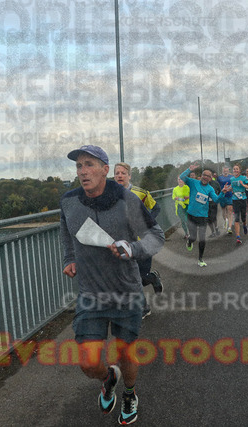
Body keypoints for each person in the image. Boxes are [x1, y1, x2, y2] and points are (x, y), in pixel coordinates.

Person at [60, 145, 165, 424]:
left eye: (89, 165)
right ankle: (108, 377)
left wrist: (133, 248)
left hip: (125, 292)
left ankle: (129, 393)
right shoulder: (69, 201)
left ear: (105, 170)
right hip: (91, 294)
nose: (83, 171)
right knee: (88, 362)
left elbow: (156, 236)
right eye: (79, 166)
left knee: (125, 353)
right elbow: (66, 228)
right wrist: (70, 257)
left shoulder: (126, 199)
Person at [114, 162, 164, 319]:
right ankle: (143, 308)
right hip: (124, 242)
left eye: (123, 173)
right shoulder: (111, 195)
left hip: (143, 242)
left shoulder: (140, 193)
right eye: (117, 173)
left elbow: (156, 208)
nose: (120, 176)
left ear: (129, 176)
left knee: (140, 277)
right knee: (128, 276)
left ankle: (152, 277)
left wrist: (145, 223)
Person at [179, 163, 231, 266]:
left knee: (202, 239)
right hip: (191, 215)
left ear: (210, 178)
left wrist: (222, 192)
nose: (205, 177)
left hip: (203, 217)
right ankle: (190, 241)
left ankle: (200, 259)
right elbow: (182, 177)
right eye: (204, 175)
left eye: (208, 176)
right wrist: (189, 169)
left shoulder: (210, 189)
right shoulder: (193, 182)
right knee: (193, 237)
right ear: (201, 176)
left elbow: (216, 200)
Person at [230, 164, 248, 244]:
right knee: (236, 218)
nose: (235, 170)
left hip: (243, 199)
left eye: (237, 169)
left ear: (239, 170)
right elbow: (232, 188)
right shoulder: (231, 179)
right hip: (235, 200)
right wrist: (227, 189)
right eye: (234, 169)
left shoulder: (243, 178)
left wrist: (243, 185)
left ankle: (244, 225)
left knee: (243, 217)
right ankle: (238, 237)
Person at [217, 166, 234, 234]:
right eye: (224, 170)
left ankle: (229, 228)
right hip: (222, 196)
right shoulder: (219, 178)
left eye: (226, 170)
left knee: (230, 210)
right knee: (223, 211)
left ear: (228, 170)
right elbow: (217, 186)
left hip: (229, 196)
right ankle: (226, 220)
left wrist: (231, 189)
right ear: (222, 171)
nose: (225, 171)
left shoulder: (231, 177)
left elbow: (233, 185)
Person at [207, 173, 221, 237]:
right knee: (208, 218)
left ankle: (216, 228)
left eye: (209, 176)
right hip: (206, 204)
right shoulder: (203, 184)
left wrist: (217, 197)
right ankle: (212, 232)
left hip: (213, 203)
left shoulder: (215, 183)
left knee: (213, 217)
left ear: (212, 176)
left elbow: (219, 191)